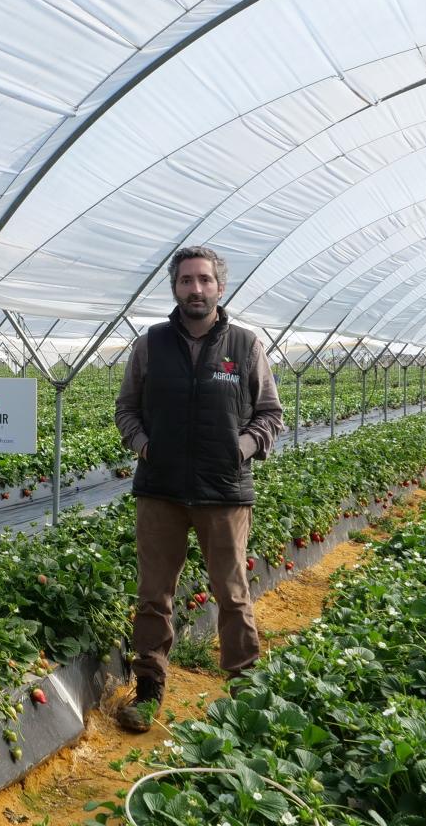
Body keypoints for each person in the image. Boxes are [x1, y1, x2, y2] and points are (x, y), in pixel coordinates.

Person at [111, 245, 284, 733]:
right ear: (174, 287)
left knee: (232, 593)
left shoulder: (246, 346)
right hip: (160, 490)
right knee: (153, 596)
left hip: (224, 492)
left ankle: (244, 692)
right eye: (186, 280)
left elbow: (271, 413)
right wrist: (144, 446)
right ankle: (148, 691)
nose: (196, 288)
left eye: (204, 280)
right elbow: (126, 409)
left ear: (220, 287)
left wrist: (241, 449)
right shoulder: (151, 344)